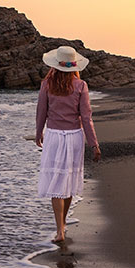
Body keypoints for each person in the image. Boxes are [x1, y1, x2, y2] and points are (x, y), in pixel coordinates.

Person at [35, 45, 101, 242]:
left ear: (55, 65)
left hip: (54, 137)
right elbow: (86, 117)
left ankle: (60, 230)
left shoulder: (46, 84)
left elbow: (41, 112)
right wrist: (94, 144)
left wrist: (39, 133)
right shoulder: (81, 86)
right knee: (68, 182)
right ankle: (62, 224)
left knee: (57, 183)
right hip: (74, 137)